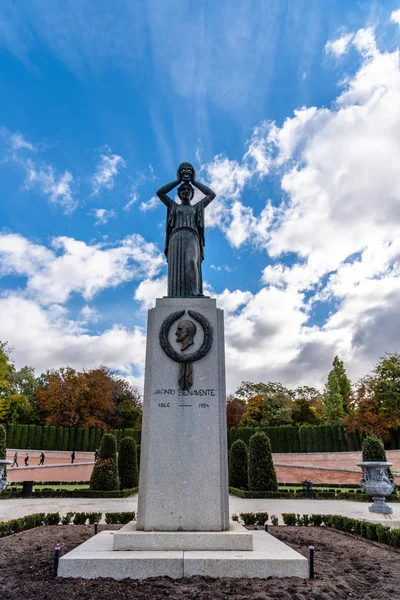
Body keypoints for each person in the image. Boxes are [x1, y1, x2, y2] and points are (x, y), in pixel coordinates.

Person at [157, 162, 216, 298]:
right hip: (176, 238)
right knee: (176, 269)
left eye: (188, 190)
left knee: (191, 263)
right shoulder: (173, 206)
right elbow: (160, 192)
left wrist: (193, 181)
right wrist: (178, 181)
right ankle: (174, 294)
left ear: (192, 194)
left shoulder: (196, 207)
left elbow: (211, 194)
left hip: (192, 237)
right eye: (182, 190)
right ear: (178, 194)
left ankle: (194, 292)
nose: (185, 192)